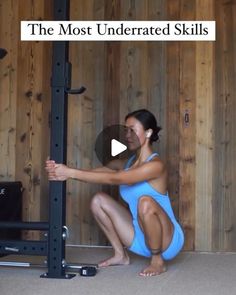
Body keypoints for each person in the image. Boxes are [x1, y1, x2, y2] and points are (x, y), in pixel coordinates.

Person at [45, 109, 184, 277]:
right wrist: (60, 170)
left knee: (145, 201)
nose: (127, 134)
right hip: (138, 238)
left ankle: (157, 260)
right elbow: (93, 174)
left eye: (132, 130)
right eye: (126, 130)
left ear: (148, 132)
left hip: (167, 240)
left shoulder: (155, 165)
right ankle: (120, 255)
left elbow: (117, 179)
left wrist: (69, 172)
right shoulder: (125, 163)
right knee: (98, 200)